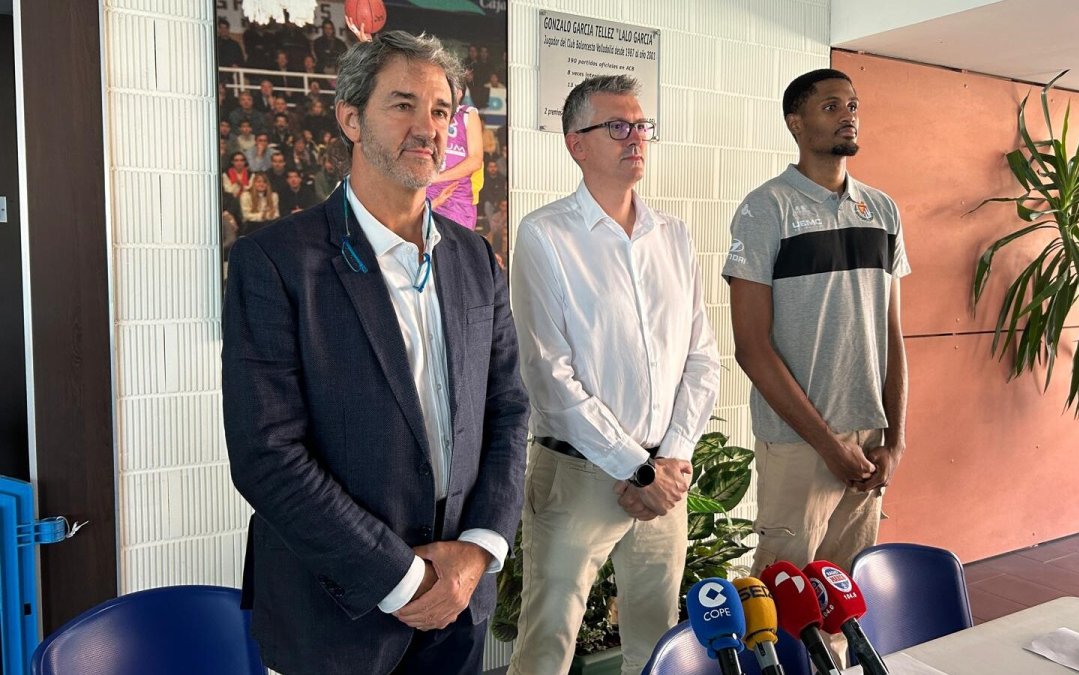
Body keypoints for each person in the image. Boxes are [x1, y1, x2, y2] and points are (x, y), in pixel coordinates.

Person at [223, 30, 528, 675]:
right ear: (349, 118)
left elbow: (507, 411)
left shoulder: (475, 258)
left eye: (442, 110)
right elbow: (267, 455)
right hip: (339, 612)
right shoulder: (275, 262)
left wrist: (477, 551)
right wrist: (403, 576)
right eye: (402, 105)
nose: (428, 128)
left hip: (459, 606)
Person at [506, 75, 720, 675]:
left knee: (656, 644)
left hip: (666, 476)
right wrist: (637, 468)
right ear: (576, 144)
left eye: (642, 126)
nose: (636, 139)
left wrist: (671, 460)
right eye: (618, 127)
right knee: (547, 640)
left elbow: (701, 357)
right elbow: (549, 376)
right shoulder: (545, 235)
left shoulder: (673, 235)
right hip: (578, 472)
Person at [724, 68, 910, 660]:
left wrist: (895, 438)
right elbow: (750, 348)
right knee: (782, 602)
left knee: (841, 599)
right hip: (799, 443)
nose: (848, 115)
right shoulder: (764, 210)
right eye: (831, 106)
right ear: (796, 122)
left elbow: (893, 335)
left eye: (853, 104)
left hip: (868, 440)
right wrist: (828, 443)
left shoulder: (882, 209)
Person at [427, 105, 482, 229]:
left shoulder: (467, 115)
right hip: (430, 203)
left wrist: (436, 178)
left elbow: (476, 162)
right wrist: (435, 202)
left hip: (458, 206)